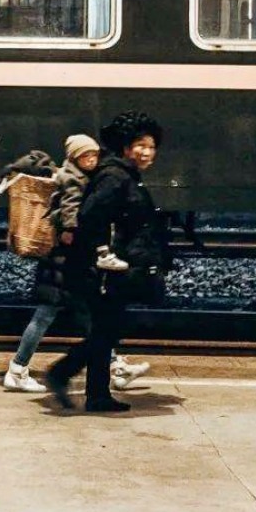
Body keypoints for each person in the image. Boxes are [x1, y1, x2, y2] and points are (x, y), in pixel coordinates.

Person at [46, 111, 164, 413]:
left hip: (112, 266)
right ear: (125, 146)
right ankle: (65, 375)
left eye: (151, 146)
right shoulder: (116, 176)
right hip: (104, 269)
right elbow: (91, 215)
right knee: (108, 329)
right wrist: (102, 252)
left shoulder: (123, 175)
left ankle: (93, 392)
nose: (147, 152)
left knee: (106, 329)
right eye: (141, 145)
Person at [4, 134, 109, 394]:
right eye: (87, 155)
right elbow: (70, 210)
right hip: (64, 261)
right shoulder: (72, 179)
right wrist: (72, 229)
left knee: (85, 314)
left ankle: (114, 363)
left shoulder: (75, 176)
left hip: (65, 260)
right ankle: (17, 369)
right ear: (75, 157)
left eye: (94, 155)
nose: (92, 160)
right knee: (48, 314)